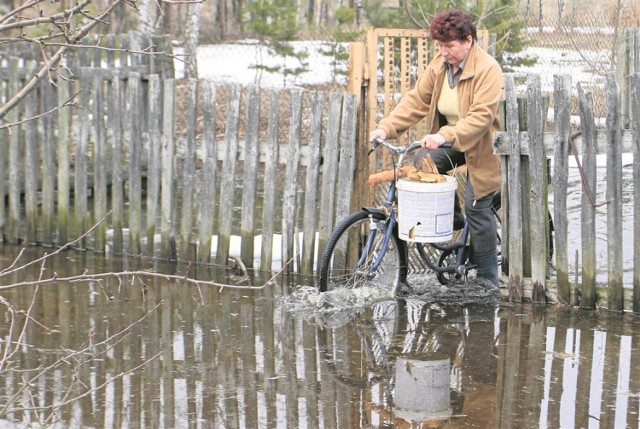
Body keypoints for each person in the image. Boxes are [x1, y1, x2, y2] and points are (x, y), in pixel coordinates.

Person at [369, 9, 504, 288]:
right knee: (422, 159)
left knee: (477, 207)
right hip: (451, 140)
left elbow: (481, 117)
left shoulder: (488, 69)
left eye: (449, 46)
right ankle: (452, 217)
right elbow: (416, 100)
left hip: (483, 145)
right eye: (440, 46)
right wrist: (386, 127)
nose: (444, 52)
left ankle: (488, 278)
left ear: (468, 41)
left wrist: (444, 134)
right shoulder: (440, 67)